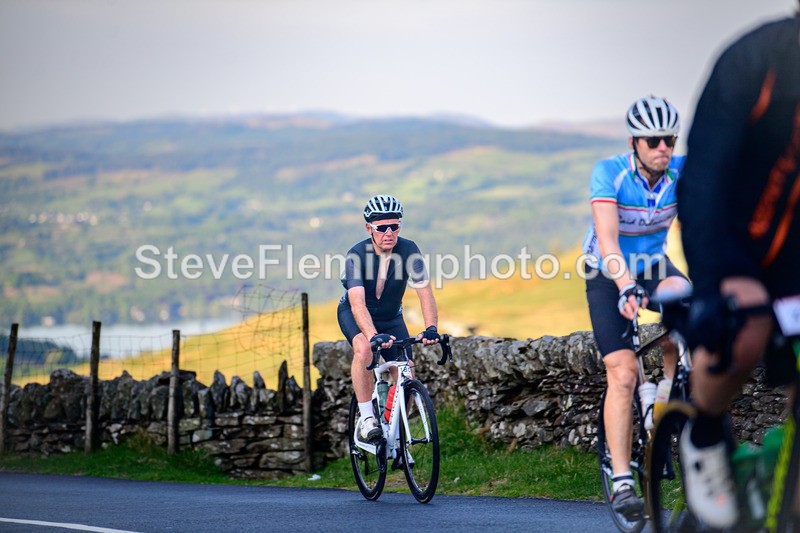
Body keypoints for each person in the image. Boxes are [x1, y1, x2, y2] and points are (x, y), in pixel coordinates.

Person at [677, 6, 800, 529]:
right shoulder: (756, 59)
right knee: (743, 329)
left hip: (794, 251)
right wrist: (710, 284)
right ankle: (704, 434)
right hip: (733, 236)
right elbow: (704, 175)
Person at [582, 95, 692, 520]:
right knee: (624, 373)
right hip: (607, 272)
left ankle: (662, 403)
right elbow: (608, 240)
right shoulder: (609, 173)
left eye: (669, 140)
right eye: (653, 141)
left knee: (689, 311)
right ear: (634, 143)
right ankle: (623, 482)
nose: (663, 147)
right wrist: (625, 285)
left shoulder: (681, 172)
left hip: (654, 266)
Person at [338, 194, 441, 442]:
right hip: (355, 315)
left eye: (394, 226)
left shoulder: (409, 250)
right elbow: (357, 303)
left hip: (391, 317)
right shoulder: (356, 255)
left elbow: (424, 292)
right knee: (364, 349)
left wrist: (431, 327)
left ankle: (394, 433)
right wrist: (373, 335)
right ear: (369, 229)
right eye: (382, 228)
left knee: (407, 371)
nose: (389, 233)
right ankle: (367, 419)